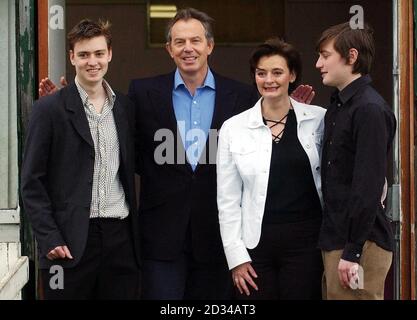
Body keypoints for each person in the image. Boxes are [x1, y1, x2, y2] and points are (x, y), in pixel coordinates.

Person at [38, 8, 314, 300]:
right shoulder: (142, 94)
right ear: (169, 49)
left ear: (209, 45)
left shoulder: (243, 97)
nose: (188, 48)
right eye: (179, 42)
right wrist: (69, 109)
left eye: (195, 40)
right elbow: (118, 146)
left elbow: (262, 159)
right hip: (160, 240)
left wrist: (285, 108)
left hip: (219, 239)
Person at [21, 19, 140, 300]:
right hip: (68, 241)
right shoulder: (49, 109)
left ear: (110, 54)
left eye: (99, 54)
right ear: (72, 57)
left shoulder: (125, 108)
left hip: (120, 238)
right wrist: (49, 237)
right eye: (84, 54)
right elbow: (31, 182)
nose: (92, 62)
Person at [217, 38, 325, 300]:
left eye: (277, 72)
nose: (269, 80)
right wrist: (236, 258)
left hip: (307, 245)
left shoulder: (319, 119)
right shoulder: (234, 127)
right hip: (255, 247)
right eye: (261, 73)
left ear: (292, 74)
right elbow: (228, 200)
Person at [315, 22, 396, 300]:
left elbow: (368, 185)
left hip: (359, 245)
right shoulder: (339, 105)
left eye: (325, 56)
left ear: (351, 57)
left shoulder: (369, 109)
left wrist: (353, 251)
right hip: (339, 240)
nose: (318, 64)